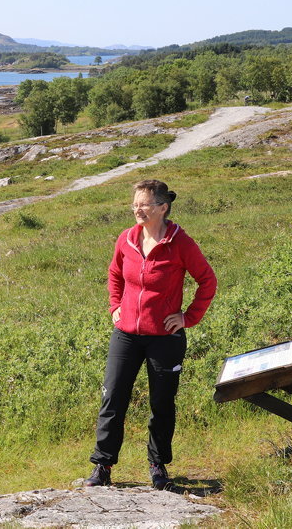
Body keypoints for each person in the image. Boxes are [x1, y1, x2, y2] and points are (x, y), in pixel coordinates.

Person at [84, 179, 217, 490]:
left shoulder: (181, 243)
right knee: (113, 397)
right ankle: (103, 465)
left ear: (162, 207)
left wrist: (188, 317)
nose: (137, 209)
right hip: (126, 334)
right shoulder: (126, 239)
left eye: (143, 204)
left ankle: (158, 465)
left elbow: (207, 281)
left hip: (165, 337)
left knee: (162, 402)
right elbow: (115, 273)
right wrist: (115, 305)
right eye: (135, 203)